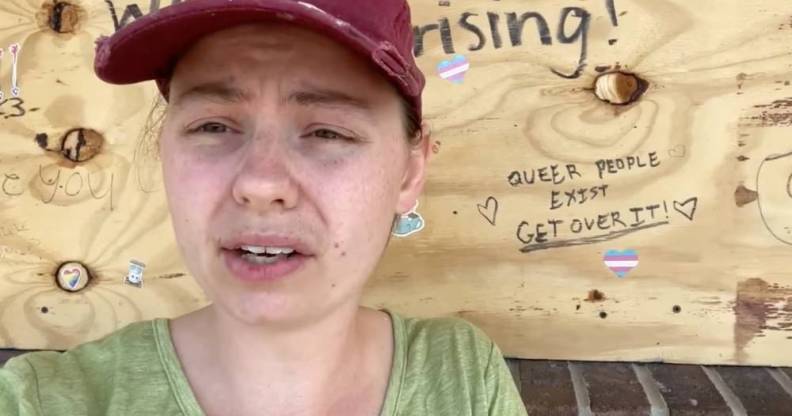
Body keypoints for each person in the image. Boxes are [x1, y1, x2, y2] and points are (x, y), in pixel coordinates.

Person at [0, 0, 528, 414]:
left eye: (327, 131)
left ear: (410, 172)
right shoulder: (43, 400)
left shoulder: (461, 377)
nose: (259, 183)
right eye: (212, 125)